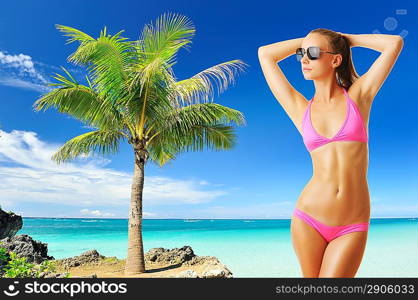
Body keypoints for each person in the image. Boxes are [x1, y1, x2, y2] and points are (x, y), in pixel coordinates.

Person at [258, 28, 403, 277]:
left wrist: (344, 40)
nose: (304, 59)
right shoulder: (300, 109)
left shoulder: (358, 97)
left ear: (336, 60)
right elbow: (265, 54)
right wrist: (309, 42)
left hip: (351, 224)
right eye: (302, 53)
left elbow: (394, 43)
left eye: (312, 53)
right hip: (308, 219)